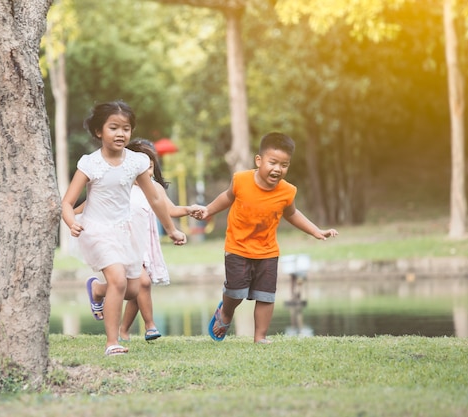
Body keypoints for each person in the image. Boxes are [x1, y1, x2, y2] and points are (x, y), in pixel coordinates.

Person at [61, 101, 187, 356]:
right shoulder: (90, 163)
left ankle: (97, 289)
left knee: (133, 288)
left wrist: (171, 229)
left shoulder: (137, 162)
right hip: (96, 230)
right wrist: (72, 222)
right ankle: (112, 342)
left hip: (125, 231)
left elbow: (154, 199)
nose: (121, 133)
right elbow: (67, 202)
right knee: (118, 280)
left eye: (126, 128)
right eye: (113, 127)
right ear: (99, 132)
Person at [191, 132, 338, 344]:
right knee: (235, 291)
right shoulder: (241, 180)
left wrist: (316, 231)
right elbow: (227, 197)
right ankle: (226, 313)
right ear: (259, 160)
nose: (278, 169)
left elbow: (293, 214)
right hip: (237, 247)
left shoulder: (287, 192)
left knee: (266, 295)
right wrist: (208, 210)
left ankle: (260, 337)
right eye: (273, 162)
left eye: (284, 165)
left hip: (268, 251)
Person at [118, 139, 193, 342]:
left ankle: (123, 331)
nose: (148, 165)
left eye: (151, 162)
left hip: (145, 245)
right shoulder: (121, 186)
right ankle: (150, 326)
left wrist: (189, 210)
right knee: (142, 282)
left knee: (138, 289)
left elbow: (170, 210)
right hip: (124, 244)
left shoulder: (154, 188)